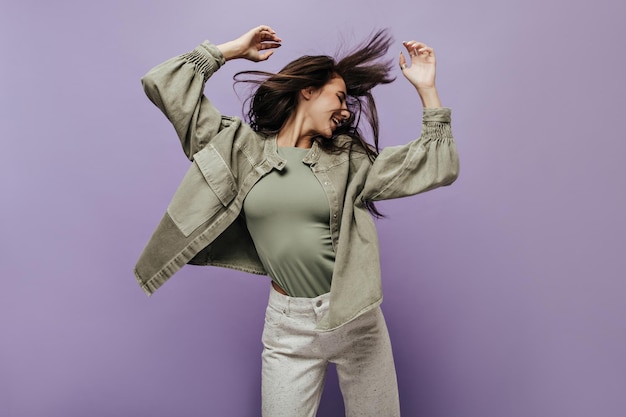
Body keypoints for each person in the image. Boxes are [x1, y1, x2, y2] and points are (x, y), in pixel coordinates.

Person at [135, 25, 459, 417]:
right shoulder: (239, 148)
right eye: (339, 97)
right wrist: (233, 50)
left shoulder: (349, 159)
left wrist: (427, 88)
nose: (345, 110)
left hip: (355, 317)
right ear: (308, 89)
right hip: (288, 325)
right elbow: (164, 82)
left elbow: (437, 164)